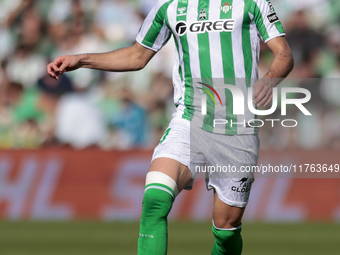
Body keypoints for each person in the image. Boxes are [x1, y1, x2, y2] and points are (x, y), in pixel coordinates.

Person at [47, 0, 294, 254]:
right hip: (189, 119)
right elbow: (137, 55)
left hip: (237, 127)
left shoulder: (252, 3)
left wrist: (269, 81)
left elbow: (284, 53)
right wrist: (81, 59)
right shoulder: (170, 7)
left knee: (226, 229)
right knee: (155, 198)